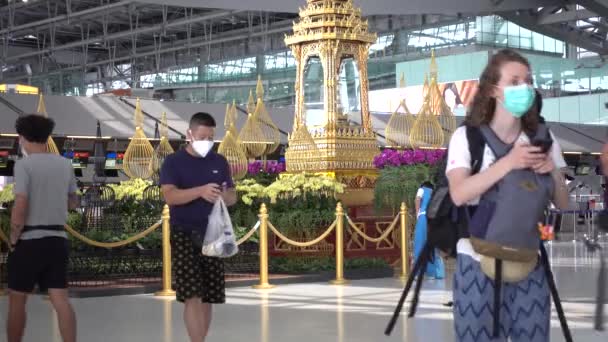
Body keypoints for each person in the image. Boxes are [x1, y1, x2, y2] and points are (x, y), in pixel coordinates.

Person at [446, 49, 569, 342]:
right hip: (476, 259)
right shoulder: (468, 138)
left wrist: (552, 171)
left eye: (528, 81)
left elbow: (564, 204)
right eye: (514, 81)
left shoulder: (543, 140)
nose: (524, 88)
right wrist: (509, 163)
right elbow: (459, 194)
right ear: (493, 89)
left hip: (529, 258)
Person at [160, 112, 237, 342]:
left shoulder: (219, 161)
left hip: (213, 234)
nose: (207, 142)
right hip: (184, 232)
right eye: (203, 136)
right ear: (189, 135)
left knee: (208, 294)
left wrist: (223, 195)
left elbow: (232, 195)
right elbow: (170, 196)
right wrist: (201, 191)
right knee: (192, 293)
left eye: (211, 137)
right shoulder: (173, 162)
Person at [7, 114, 79, 342]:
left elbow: (21, 203)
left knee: (17, 299)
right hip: (57, 240)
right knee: (61, 299)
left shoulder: (23, 165)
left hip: (29, 240)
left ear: (22, 138)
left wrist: (13, 237)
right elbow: (73, 202)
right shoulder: (64, 164)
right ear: (47, 137)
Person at [413, 181, 445, 279]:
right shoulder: (435, 192)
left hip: (423, 217)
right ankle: (433, 272)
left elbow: (417, 200)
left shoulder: (421, 189)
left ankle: (418, 272)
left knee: (419, 242)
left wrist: (418, 213)